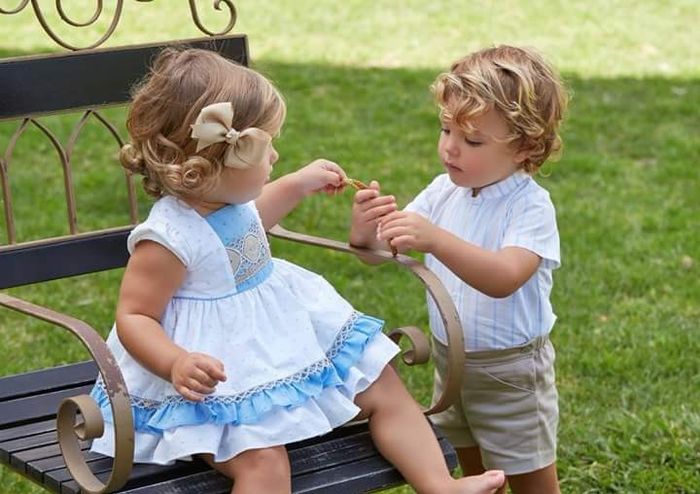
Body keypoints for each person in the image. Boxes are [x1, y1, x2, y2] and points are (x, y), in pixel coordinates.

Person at [88, 48, 505, 494]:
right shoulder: (168, 238)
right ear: (214, 165)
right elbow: (135, 316)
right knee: (263, 463)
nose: (275, 158)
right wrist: (176, 362)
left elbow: (251, 223)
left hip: (274, 340)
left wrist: (301, 183)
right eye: (266, 149)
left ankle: (440, 485)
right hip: (213, 381)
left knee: (382, 384)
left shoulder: (227, 199)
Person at [350, 45, 568, 494]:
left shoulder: (529, 206)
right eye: (445, 129)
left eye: (472, 141)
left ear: (526, 146)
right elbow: (378, 253)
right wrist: (366, 232)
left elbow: (505, 277)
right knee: (473, 472)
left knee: (528, 478)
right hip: (452, 364)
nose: (450, 148)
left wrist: (436, 239)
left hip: (510, 373)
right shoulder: (442, 191)